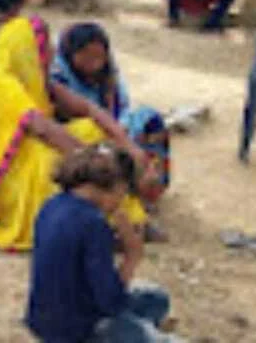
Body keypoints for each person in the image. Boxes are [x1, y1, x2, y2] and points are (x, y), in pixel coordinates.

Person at [0, 16, 148, 252]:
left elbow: (87, 108)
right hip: (1, 171)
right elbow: (42, 129)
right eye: (45, 45)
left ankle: (117, 214)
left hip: (28, 150)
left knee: (91, 129)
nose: (51, 51)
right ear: (26, 48)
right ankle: (97, 224)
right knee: (54, 167)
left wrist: (125, 143)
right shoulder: (1, 82)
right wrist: (92, 159)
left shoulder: (36, 76)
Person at [26, 145, 171, 343]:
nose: (121, 202)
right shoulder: (93, 223)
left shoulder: (52, 204)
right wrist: (132, 256)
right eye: (123, 193)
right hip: (78, 331)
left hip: (43, 321)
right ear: (117, 186)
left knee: (155, 299)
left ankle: (141, 328)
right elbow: (111, 302)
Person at [50, 24, 171, 207]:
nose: (95, 63)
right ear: (71, 53)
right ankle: (124, 195)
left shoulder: (108, 74)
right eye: (87, 56)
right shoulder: (58, 77)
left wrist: (121, 126)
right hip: (80, 133)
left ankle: (149, 189)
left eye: (99, 57)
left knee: (150, 120)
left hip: (112, 125)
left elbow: (121, 104)